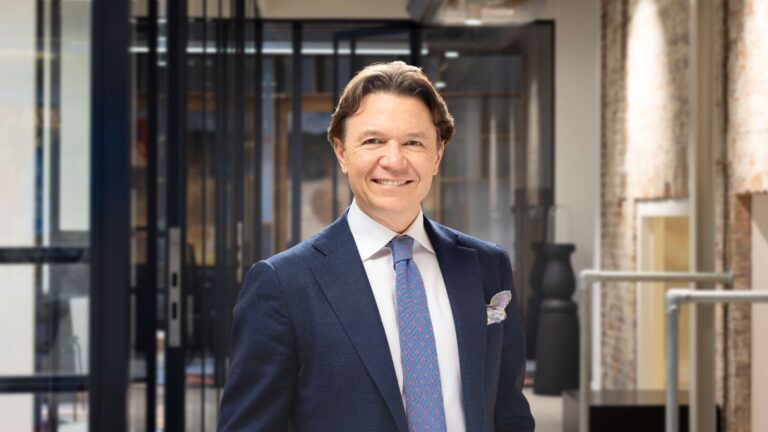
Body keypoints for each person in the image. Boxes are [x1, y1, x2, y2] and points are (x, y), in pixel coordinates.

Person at [218, 61, 534, 432]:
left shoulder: (487, 266)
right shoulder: (283, 284)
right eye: (373, 141)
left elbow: (510, 414)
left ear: (437, 154)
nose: (394, 161)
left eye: (413, 142)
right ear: (341, 152)